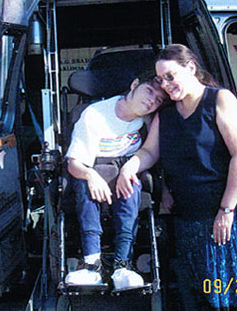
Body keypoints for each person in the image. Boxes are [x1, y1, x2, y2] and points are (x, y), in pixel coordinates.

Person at [117, 44, 237, 309]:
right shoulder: (165, 114)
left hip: (229, 219)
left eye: (170, 76)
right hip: (188, 221)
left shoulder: (220, 100)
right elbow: (149, 152)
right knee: (199, 299)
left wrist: (227, 210)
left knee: (235, 299)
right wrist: (129, 167)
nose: (165, 85)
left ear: (190, 68)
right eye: (160, 79)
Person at [64, 75, 167, 290]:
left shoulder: (149, 120)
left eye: (158, 100)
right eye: (149, 91)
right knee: (83, 184)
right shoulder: (94, 115)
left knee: (133, 182)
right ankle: (92, 264)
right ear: (134, 85)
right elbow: (74, 164)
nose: (151, 101)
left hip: (127, 172)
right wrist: (91, 176)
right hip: (93, 169)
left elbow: (152, 155)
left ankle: (123, 264)